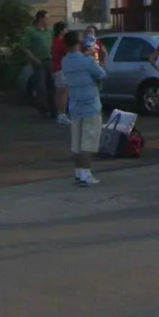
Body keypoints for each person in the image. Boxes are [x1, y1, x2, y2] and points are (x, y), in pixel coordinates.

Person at [60, 30, 106, 187]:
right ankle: (86, 174)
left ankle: (79, 172)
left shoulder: (65, 61)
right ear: (78, 43)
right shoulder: (87, 61)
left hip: (74, 104)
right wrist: (93, 59)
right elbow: (101, 74)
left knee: (77, 141)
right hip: (90, 103)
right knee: (89, 141)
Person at [22, 10, 52, 117]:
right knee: (41, 86)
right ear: (41, 18)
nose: (48, 21)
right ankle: (42, 108)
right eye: (46, 18)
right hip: (38, 61)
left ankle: (52, 108)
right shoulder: (31, 31)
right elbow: (26, 48)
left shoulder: (48, 31)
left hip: (49, 60)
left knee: (51, 84)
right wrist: (34, 59)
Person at [50, 21, 70, 125]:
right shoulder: (59, 42)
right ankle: (61, 114)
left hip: (57, 68)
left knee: (59, 93)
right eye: (65, 29)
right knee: (63, 93)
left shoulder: (55, 41)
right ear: (62, 30)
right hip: (61, 69)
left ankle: (60, 114)